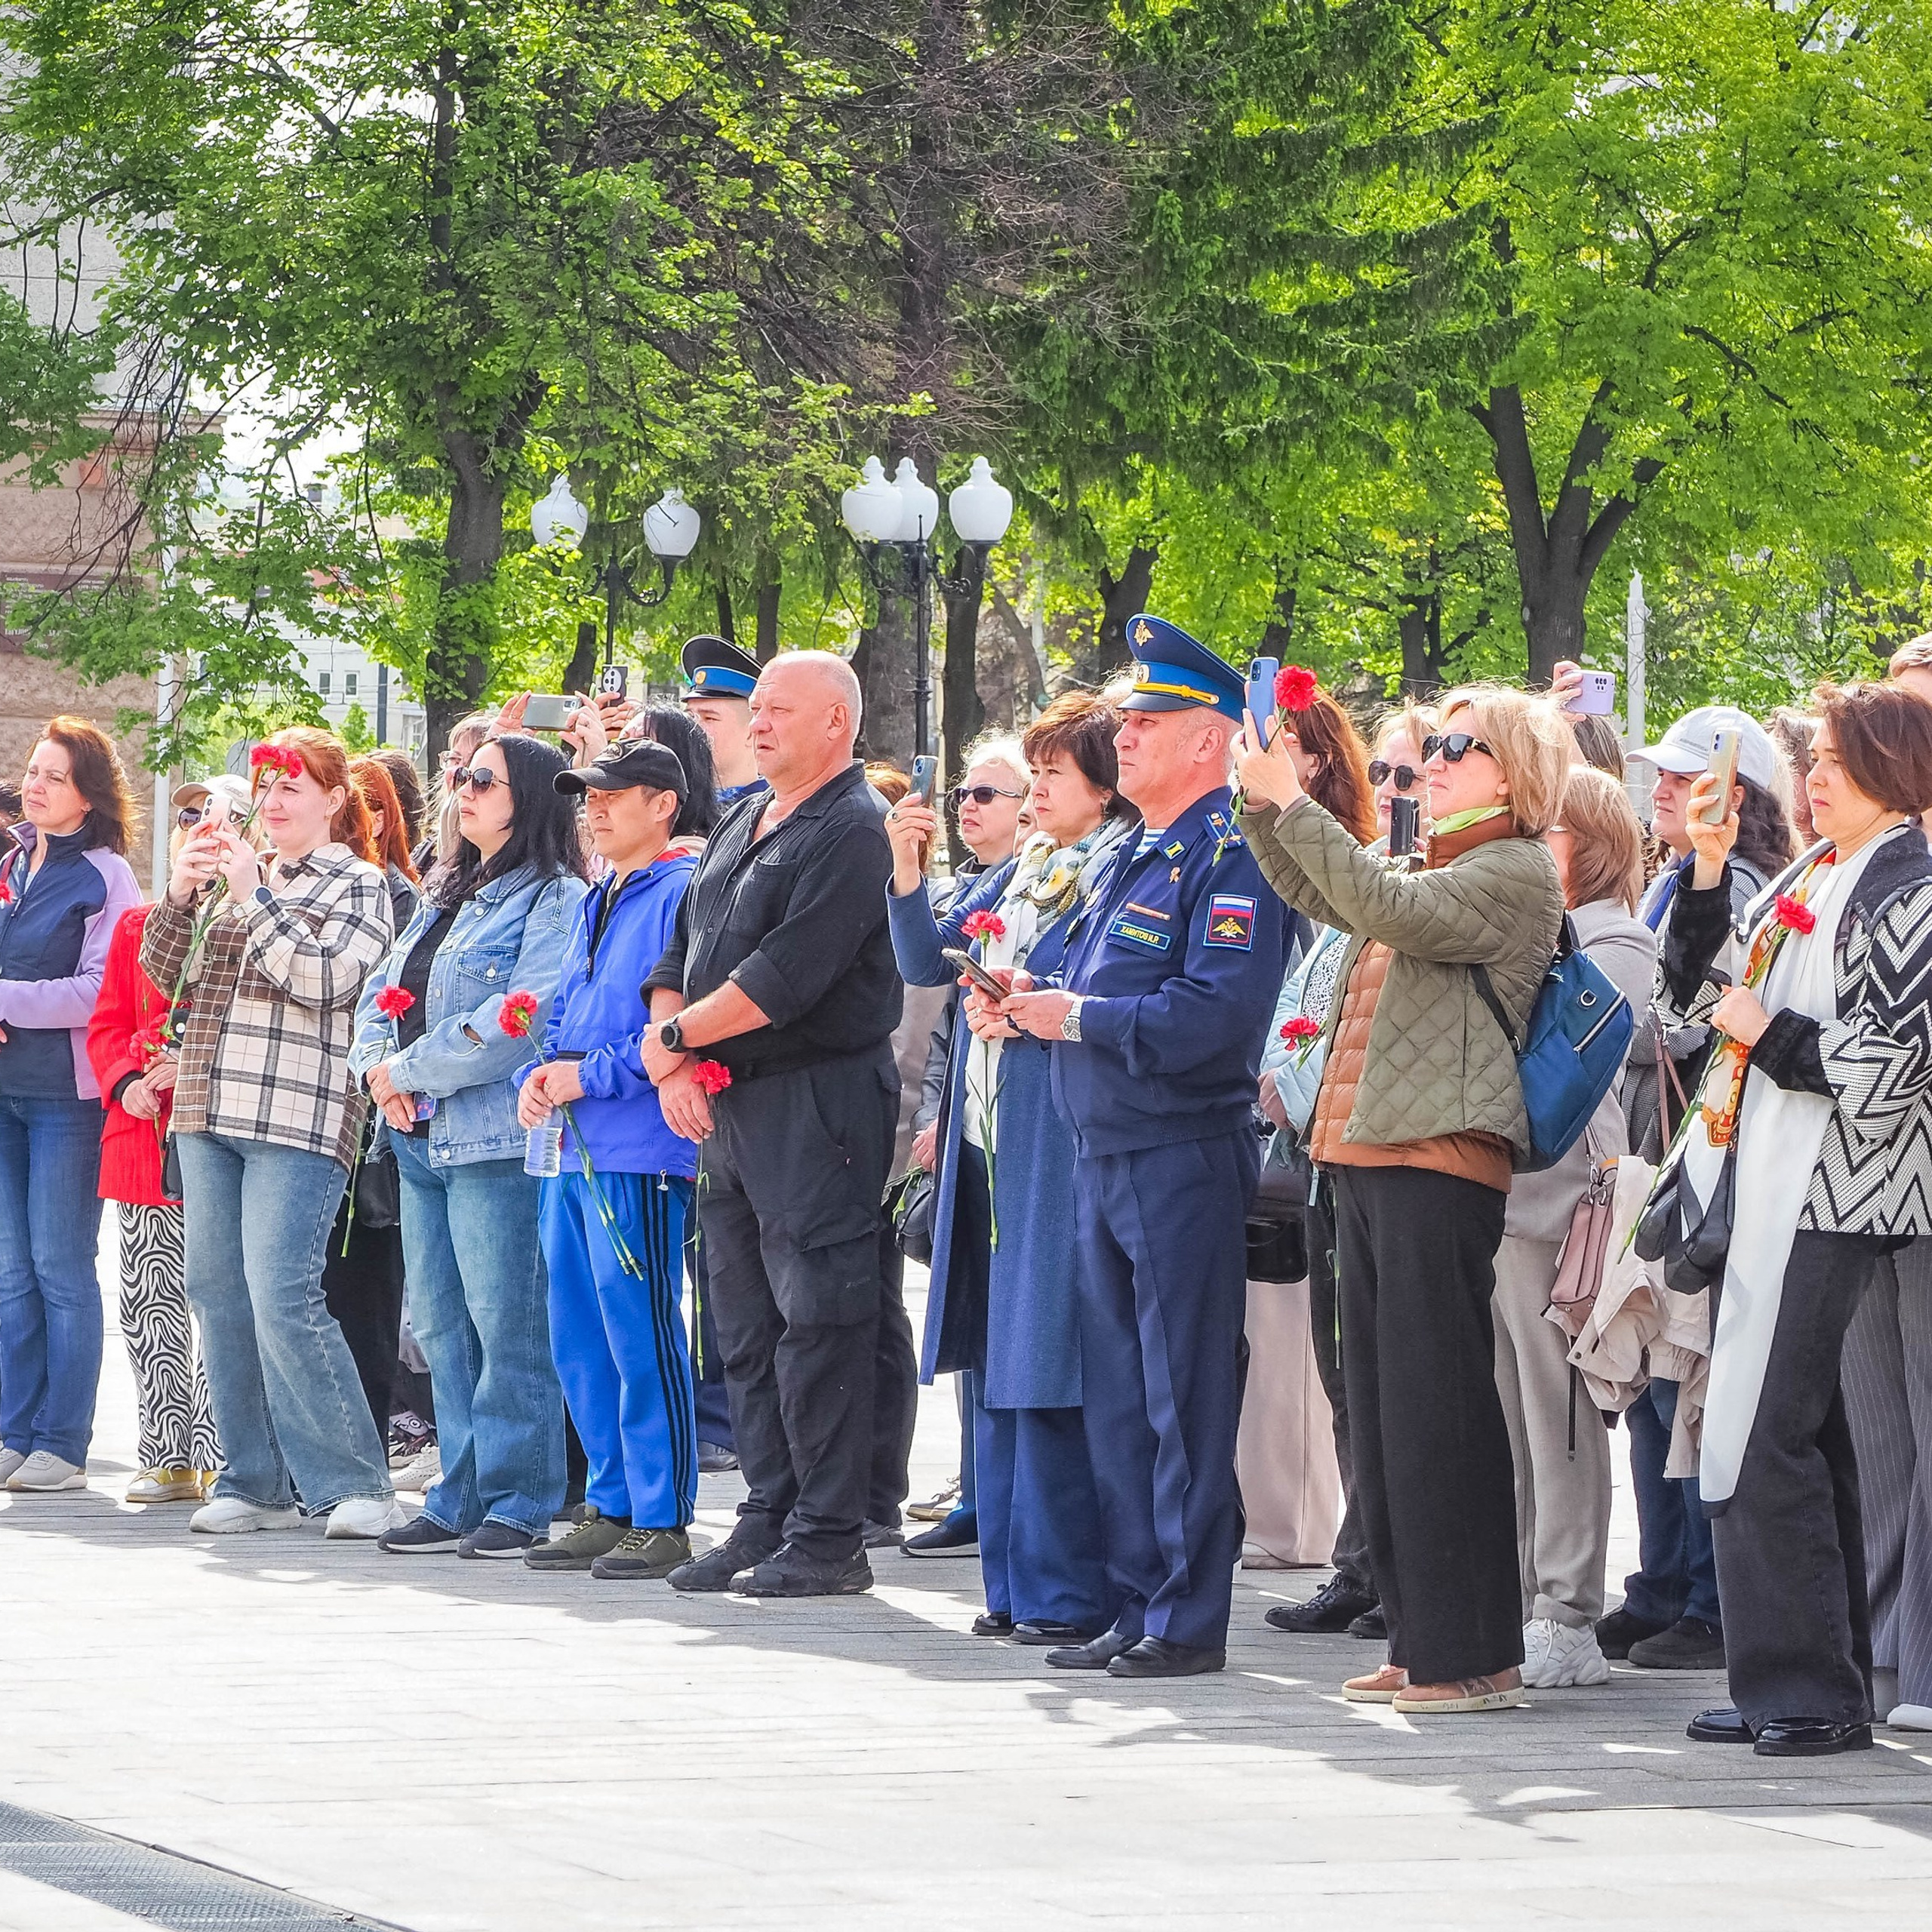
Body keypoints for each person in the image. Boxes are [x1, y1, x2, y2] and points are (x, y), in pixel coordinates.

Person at [1238, 682, 1569, 1713]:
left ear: (1512, 770)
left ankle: (1472, 1656)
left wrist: (1294, 801)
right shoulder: (1438, 863)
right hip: (1370, 1154)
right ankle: (1421, 1637)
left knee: (1439, 1414)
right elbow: (1328, 895)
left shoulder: (1515, 869)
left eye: (1456, 747)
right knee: (1381, 1416)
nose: (1431, 759)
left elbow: (1380, 906)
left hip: (1437, 1162)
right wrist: (1262, 804)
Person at [990, 616, 1284, 1679]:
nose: (1127, 738)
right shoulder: (1134, 852)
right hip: (1102, 1147)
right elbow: (1098, 979)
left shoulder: (1232, 850)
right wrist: (1031, 998)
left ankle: (1187, 1615)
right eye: (1124, 721)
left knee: (1182, 1393)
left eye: (1147, 722)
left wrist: (1079, 1021)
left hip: (1178, 1149)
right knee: (1118, 1392)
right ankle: (1135, 1598)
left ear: (1208, 740)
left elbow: (1214, 1015)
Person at [1664, 681, 1932, 1756]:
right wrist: (1707, 870)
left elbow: (1888, 1070)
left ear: (1894, 768)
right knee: (1800, 1430)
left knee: (1771, 1426)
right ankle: (1799, 1680)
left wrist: (1764, 1029)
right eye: (1813, 759)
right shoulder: (1811, 874)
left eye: (1833, 759)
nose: (1812, 778)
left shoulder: (1911, 887)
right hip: (1774, 1175)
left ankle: (1806, 1692)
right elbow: (1690, 1004)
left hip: (1839, 1187)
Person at [642, 651, 903, 1599]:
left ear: (836, 721)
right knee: (743, 1324)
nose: (755, 723)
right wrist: (673, 1051)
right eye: (751, 709)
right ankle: (768, 1508)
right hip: (729, 1096)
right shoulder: (749, 815)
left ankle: (831, 1530)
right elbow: (683, 946)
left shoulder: (853, 829)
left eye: (777, 709)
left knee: (820, 1319)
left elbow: (781, 979)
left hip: (817, 1098)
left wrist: (670, 1037)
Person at [888, 694, 1135, 1640]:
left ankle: (1066, 1588)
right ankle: (1015, 1583)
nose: (1032, 794)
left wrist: (1023, 996)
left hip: (1048, 1138)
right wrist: (908, 876)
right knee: (992, 1360)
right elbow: (929, 960)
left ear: (1102, 790)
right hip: (987, 1138)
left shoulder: (1111, 867)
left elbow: (1088, 992)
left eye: (1053, 777)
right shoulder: (1029, 866)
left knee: (1045, 1362)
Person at [143, 727, 398, 1535]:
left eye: (293, 787)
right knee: (217, 1292)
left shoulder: (360, 882)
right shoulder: (240, 874)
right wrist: (182, 894)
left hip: (298, 1110)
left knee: (285, 1292)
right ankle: (252, 1481)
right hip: (207, 1107)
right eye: (268, 786)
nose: (275, 801)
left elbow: (323, 982)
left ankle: (354, 1480)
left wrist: (254, 895)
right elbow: (163, 970)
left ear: (332, 799)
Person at [351, 733, 588, 1560]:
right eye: (459, 775)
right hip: (417, 1137)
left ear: (529, 796)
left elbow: (519, 1020)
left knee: (506, 1326)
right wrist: (378, 1071)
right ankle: (459, 1490)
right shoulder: (447, 891)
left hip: (492, 1139)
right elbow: (381, 996)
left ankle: (520, 1498)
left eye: (483, 777)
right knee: (445, 1329)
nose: (463, 787)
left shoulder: (554, 896)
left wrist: (410, 1068)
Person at [1604, 705, 1794, 1675]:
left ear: (1743, 794)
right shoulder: (1672, 879)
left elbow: (1680, 1021)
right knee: (1655, 1374)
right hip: (1666, 1152)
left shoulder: (1747, 888)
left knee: (1695, 1375)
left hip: (1712, 1158)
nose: (1664, 790)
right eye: (1662, 775)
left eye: (1686, 776)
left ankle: (1708, 1599)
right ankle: (1662, 1582)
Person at [1267, 704, 1435, 1638]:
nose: (1397, 793)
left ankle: (1401, 1571)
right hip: (1326, 1157)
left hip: (1396, 1160)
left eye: (1414, 776)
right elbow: (1304, 1009)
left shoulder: (1423, 888)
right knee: (1346, 1379)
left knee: (1399, 1384)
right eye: (1388, 776)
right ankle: (1360, 1562)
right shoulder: (1353, 903)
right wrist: (1282, 1078)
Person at [517, 740, 703, 1579]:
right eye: (588, 797)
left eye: (613, 795)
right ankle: (613, 1498)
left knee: (640, 1328)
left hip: (639, 1143)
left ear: (663, 804)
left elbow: (669, 1028)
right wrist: (537, 1073)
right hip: (575, 1141)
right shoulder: (603, 894)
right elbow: (568, 1010)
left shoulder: (680, 892)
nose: (593, 808)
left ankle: (662, 1512)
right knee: (578, 1331)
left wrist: (581, 1076)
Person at [1492, 766, 1655, 1688]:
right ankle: (1522, 1597)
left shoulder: (1612, 933)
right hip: (1495, 1195)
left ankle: (1565, 1609)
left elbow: (1567, 1047)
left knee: (1557, 1415)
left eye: (1541, 830)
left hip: (1557, 1201)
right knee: (1510, 1415)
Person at [1237, 675, 1374, 1577]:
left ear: (1316, 763)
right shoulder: (1292, 861)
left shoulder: (1357, 872)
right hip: (1292, 1131)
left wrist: (1298, 1080)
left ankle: (1336, 1544)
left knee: (1334, 1365)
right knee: (1316, 1362)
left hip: (1336, 1137)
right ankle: (1347, 1554)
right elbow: (1299, 996)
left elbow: (1342, 1010)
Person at [82, 782, 249, 1504]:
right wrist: (126, 1081)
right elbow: (107, 1025)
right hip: (143, 1139)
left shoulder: (251, 923)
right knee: (149, 1301)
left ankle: (222, 1451)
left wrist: (191, 1067)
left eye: (221, 820)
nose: (203, 831)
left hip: (217, 1132)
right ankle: (165, 1451)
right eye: (190, 818)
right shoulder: (136, 927)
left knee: (216, 1296)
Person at [0, 718, 144, 1493]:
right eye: (32, 770)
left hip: (66, 1098)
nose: (36, 784)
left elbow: (99, 990)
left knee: (60, 1266)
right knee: (9, 1270)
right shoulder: (12, 860)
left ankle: (63, 1441)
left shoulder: (107, 875)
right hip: (4, 1095)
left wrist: (6, 998)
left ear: (87, 793)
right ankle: (12, 1430)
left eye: (54, 775)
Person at [900, 734, 1031, 1560]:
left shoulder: (1043, 882)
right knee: (970, 1311)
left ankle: (1000, 1493)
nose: (967, 806)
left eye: (989, 794)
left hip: (1014, 1119)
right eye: (964, 794)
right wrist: (907, 872)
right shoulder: (968, 886)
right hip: (970, 1114)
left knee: (1006, 1318)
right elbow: (926, 971)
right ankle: (979, 1488)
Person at [681, 635, 764, 806]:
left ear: (752, 732)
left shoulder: (767, 812)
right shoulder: (676, 801)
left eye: (709, 717)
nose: (692, 727)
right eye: (690, 716)